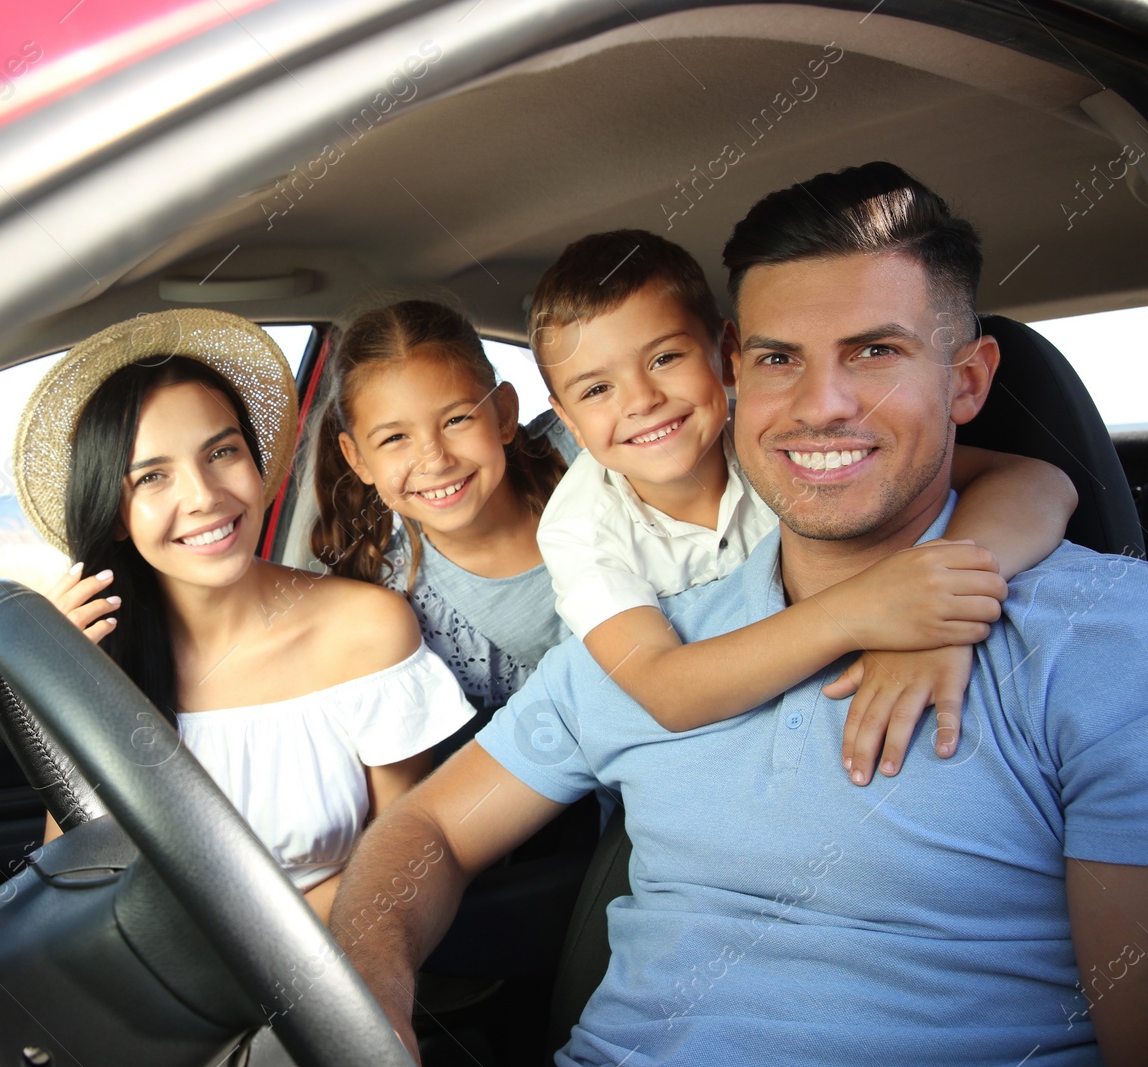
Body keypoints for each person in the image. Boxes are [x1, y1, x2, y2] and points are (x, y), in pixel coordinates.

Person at [330, 162, 1148, 1065]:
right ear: (738, 370)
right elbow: (427, 828)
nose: (821, 405)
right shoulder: (635, 633)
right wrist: (370, 1003)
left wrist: (945, 600)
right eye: (777, 358)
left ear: (966, 381)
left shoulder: (1109, 643)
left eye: (875, 351)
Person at [531, 228, 1077, 784]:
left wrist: (943, 605)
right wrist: (865, 612)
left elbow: (1036, 480)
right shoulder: (579, 529)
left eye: (666, 358)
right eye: (596, 390)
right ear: (568, 419)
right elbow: (669, 692)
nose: (641, 400)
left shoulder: (787, 439)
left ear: (728, 357)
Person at [11, 309, 473, 921]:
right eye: (152, 477)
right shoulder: (103, 662)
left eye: (221, 452)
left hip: (331, 971)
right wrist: (68, 691)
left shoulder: (368, 630)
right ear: (115, 515)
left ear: (256, 466)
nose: (203, 497)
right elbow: (77, 887)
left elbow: (406, 865)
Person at [310, 299, 574, 718]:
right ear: (357, 458)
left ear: (503, 413)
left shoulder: (585, 451)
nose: (435, 460)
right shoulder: (405, 604)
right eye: (395, 438)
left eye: (456, 420)